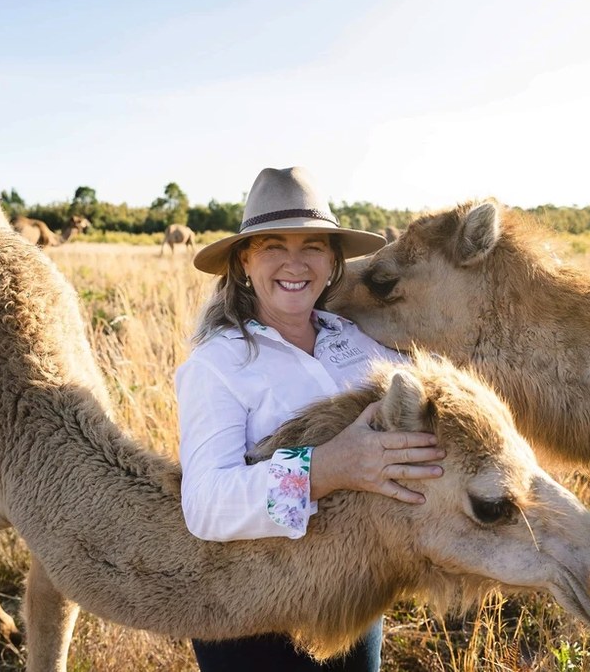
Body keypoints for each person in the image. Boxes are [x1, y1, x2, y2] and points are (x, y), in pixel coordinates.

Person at [175, 166, 445, 672]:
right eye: (273, 245)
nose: (294, 263)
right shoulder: (217, 365)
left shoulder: (357, 339)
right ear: (243, 262)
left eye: (313, 247)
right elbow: (207, 505)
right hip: (254, 611)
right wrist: (327, 468)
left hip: (351, 598)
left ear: (333, 261)